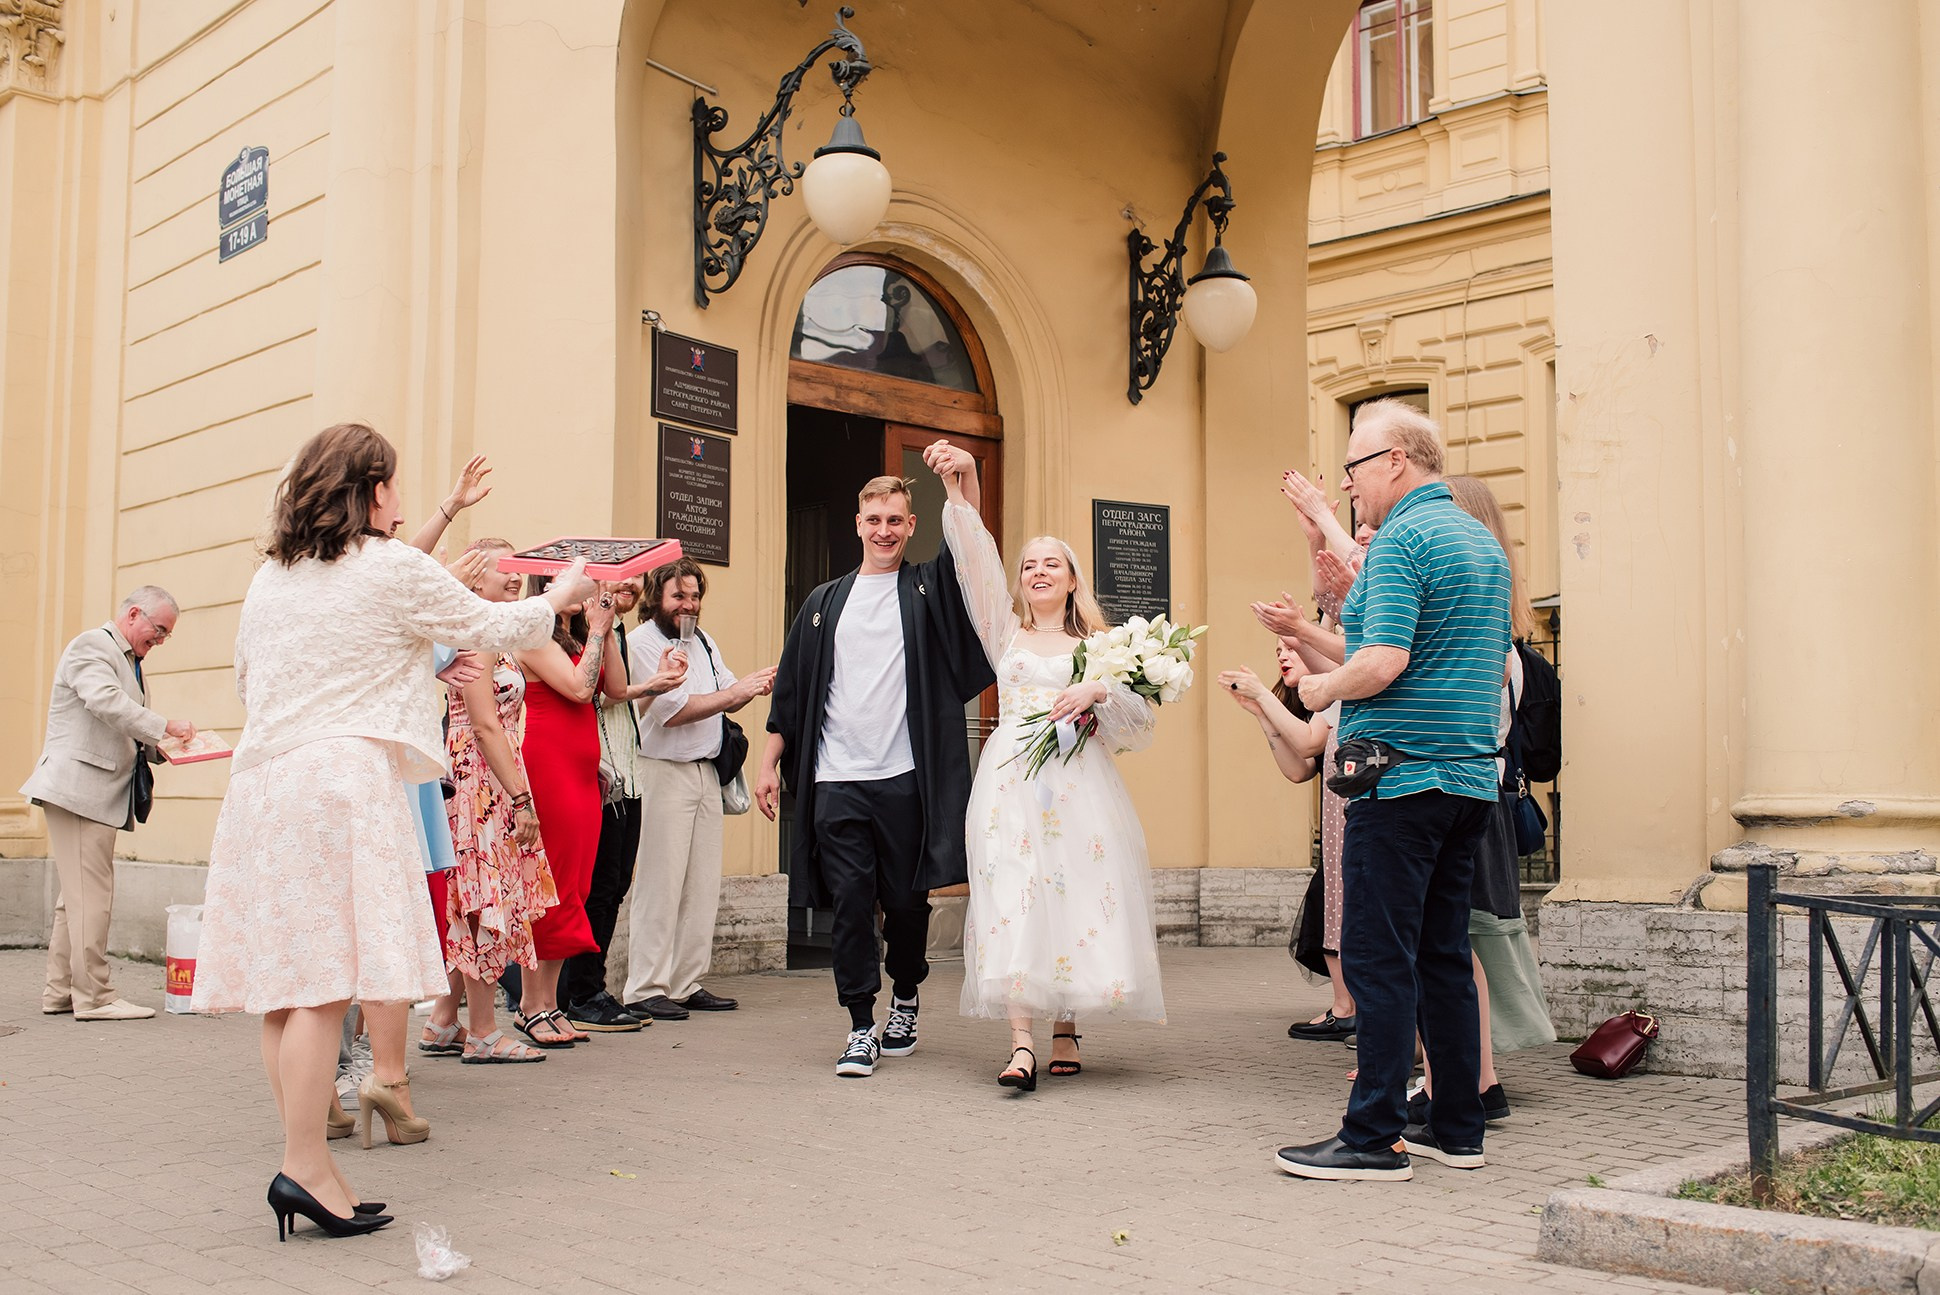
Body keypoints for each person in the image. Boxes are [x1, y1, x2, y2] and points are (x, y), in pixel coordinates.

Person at [189, 423, 594, 1239]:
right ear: (371, 489)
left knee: (286, 988)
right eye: (395, 484)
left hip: (265, 784)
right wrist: (562, 594)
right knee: (325, 980)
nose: (402, 501)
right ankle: (303, 1166)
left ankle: (313, 1163)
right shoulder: (386, 563)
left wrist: (409, 663)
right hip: (339, 781)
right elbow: (500, 628)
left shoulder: (271, 579)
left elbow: (258, 677)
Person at [1274, 398, 1511, 1183]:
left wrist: (1313, 694)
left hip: (1401, 776)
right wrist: (1321, 647)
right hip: (1470, 780)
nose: (1348, 486)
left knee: (1378, 957)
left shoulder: (1405, 536)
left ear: (1396, 462)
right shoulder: (1480, 540)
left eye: (1354, 467)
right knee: (1443, 953)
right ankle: (1457, 1127)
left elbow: (1381, 663)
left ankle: (1373, 1134)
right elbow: (1401, 646)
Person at [926, 443, 1165, 1091]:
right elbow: (975, 565)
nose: (1036, 571)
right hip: (1010, 780)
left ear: (1070, 579)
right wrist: (960, 488)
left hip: (1077, 783)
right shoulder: (1003, 633)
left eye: (1049, 563)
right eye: (1028, 563)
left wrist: (1097, 690)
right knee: (1013, 894)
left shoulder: (1098, 646)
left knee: (1071, 890)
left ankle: (1066, 1026)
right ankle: (1022, 1042)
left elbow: (1136, 721)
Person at [756, 472, 996, 1078]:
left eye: (896, 520)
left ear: (910, 525)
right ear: (857, 525)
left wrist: (960, 481)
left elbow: (967, 553)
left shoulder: (925, 589)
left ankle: (906, 995)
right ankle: (860, 1024)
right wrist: (767, 763)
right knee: (852, 903)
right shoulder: (822, 604)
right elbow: (791, 693)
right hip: (835, 778)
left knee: (906, 904)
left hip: (905, 776)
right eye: (874, 520)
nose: (884, 531)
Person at [514, 577, 684, 1048]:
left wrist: (604, 631)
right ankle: (530, 1004)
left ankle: (551, 1001)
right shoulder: (532, 632)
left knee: (575, 887)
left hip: (583, 771)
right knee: (547, 886)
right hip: (548, 767)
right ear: (547, 585)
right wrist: (597, 631)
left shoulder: (578, 634)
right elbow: (576, 688)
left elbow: (611, 687)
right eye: (575, 582)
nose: (584, 590)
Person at [24, 587, 196, 1022]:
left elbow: (120, 728)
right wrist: (162, 726)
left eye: (166, 636)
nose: (159, 641)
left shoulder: (126, 660)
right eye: (158, 631)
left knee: (75, 900)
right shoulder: (92, 646)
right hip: (80, 790)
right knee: (92, 898)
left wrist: (166, 748)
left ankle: (59, 991)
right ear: (134, 614)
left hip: (90, 791)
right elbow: (105, 704)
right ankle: (95, 996)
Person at [420, 537, 557, 1065]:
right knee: (482, 898)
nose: (516, 576)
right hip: (478, 776)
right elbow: (482, 724)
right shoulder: (474, 638)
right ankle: (482, 1031)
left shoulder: (493, 635)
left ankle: (441, 1020)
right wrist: (521, 798)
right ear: (476, 580)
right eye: (506, 569)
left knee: (469, 895)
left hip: (492, 770)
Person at [623, 558, 776, 1021]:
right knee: (660, 882)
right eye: (678, 596)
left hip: (707, 771)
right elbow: (671, 710)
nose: (688, 605)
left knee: (702, 884)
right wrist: (734, 695)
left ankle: (686, 982)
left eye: (694, 596)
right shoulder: (642, 643)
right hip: (663, 771)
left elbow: (727, 686)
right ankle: (645, 986)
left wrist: (756, 685)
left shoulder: (703, 640)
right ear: (656, 598)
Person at [1218, 642, 1358, 1040]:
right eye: (1276, 648)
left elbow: (1310, 743)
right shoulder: (1320, 698)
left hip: (1357, 820)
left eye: (1291, 647)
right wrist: (1263, 714)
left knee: (1344, 909)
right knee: (1332, 906)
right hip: (1337, 827)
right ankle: (1347, 1007)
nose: (1281, 655)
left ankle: (1354, 1010)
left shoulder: (1335, 685)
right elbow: (1298, 770)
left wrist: (1264, 695)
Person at [561, 575, 653, 1032]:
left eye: (638, 578)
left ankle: (590, 987)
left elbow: (615, 691)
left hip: (628, 773)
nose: (632, 584)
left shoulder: (612, 629)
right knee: (593, 888)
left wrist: (652, 684)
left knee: (614, 884)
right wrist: (600, 624)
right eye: (621, 576)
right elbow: (586, 690)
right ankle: (579, 992)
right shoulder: (575, 631)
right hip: (594, 774)